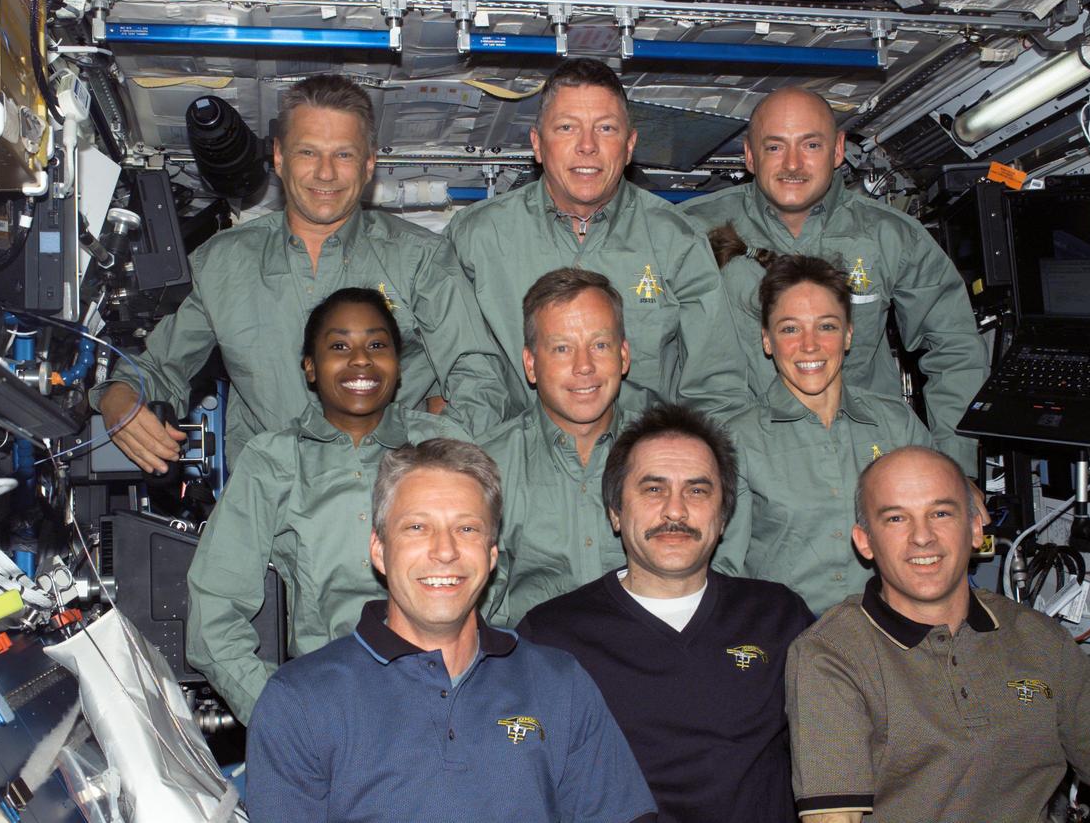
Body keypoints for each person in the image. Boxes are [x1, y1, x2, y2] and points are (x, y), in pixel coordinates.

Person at [93, 74, 506, 472]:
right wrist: (118, 397)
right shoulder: (224, 262)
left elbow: (477, 376)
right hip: (270, 507)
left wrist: (437, 464)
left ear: (368, 165)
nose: (325, 173)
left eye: (343, 154)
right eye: (308, 152)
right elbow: (161, 366)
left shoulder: (422, 260)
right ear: (278, 156)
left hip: (387, 502)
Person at [246, 439, 657, 823]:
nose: (445, 551)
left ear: (492, 553)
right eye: (417, 528)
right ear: (379, 550)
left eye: (467, 529)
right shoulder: (300, 700)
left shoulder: (558, 683)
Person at [785, 446, 1090, 823]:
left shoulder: (1039, 640)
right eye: (896, 519)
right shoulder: (831, 654)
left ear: (974, 529)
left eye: (940, 513)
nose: (923, 537)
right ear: (865, 542)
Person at [520, 403, 814, 823]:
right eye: (653, 489)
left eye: (697, 490)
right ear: (615, 512)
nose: (675, 511)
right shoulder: (552, 635)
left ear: (724, 514)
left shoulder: (779, 617)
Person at [185, 288, 467, 724]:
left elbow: (499, 582)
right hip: (335, 706)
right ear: (310, 368)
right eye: (339, 346)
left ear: (398, 364)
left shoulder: (446, 448)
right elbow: (213, 619)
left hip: (454, 702)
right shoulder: (273, 461)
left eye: (377, 345)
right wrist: (287, 719)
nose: (360, 359)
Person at [682, 87, 986, 474]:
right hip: (734, 463)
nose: (793, 164)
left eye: (810, 145)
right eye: (774, 147)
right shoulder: (692, 233)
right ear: (749, 156)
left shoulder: (891, 237)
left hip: (862, 461)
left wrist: (955, 469)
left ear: (838, 149)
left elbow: (955, 350)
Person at [446, 57, 750, 419]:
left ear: (630, 145)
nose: (587, 146)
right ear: (538, 145)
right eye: (566, 128)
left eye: (605, 129)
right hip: (515, 462)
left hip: (643, 461)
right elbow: (462, 384)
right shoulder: (475, 239)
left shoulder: (677, 241)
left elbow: (716, 391)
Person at [717, 227, 932, 615]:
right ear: (767, 340)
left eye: (827, 326)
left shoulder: (897, 427)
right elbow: (724, 574)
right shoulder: (737, 442)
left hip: (889, 638)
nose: (810, 345)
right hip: (784, 642)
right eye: (790, 329)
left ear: (848, 334)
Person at [481, 268, 639, 627]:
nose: (583, 366)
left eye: (600, 345)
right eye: (562, 348)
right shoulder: (486, 466)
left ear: (624, 356)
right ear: (531, 365)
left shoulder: (669, 455)